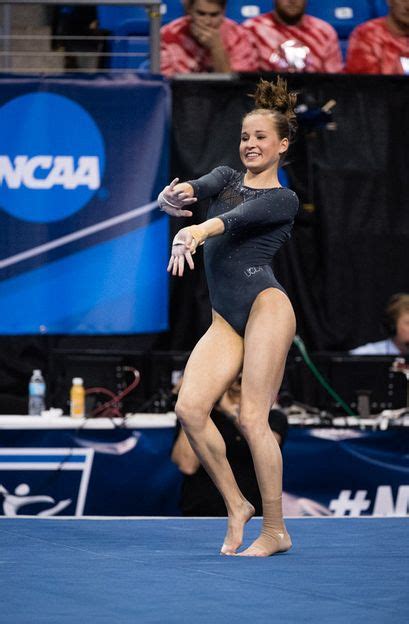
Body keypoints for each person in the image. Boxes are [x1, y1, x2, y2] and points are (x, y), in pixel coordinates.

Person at [157, 77, 299, 557]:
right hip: (226, 318)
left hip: (266, 307)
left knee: (254, 418)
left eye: (261, 137)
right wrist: (172, 200)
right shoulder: (225, 176)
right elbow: (198, 189)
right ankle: (237, 504)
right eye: (245, 136)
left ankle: (276, 528)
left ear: (282, 144)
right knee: (190, 409)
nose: (251, 144)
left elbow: (231, 222)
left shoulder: (283, 199)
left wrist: (195, 232)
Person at [172, 376, 289, 516]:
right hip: (200, 513)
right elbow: (187, 465)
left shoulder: (271, 416)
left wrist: (229, 412)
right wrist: (198, 406)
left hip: (253, 515)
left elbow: (267, 453)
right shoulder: (197, 416)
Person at [160, 0, 259, 76]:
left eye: (214, 15)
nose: (207, 22)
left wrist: (216, 48)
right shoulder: (167, 35)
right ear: (189, 11)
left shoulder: (239, 36)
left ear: (223, 12)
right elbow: (166, 85)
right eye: (201, 14)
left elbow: (238, 88)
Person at [243, 0, 343, 73]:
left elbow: (334, 80)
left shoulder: (324, 31)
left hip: (314, 98)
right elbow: (244, 79)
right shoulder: (252, 29)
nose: (292, 1)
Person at [345, 0, 409, 75]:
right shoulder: (366, 35)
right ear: (390, 1)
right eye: (403, 0)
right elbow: (364, 83)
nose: (408, 6)